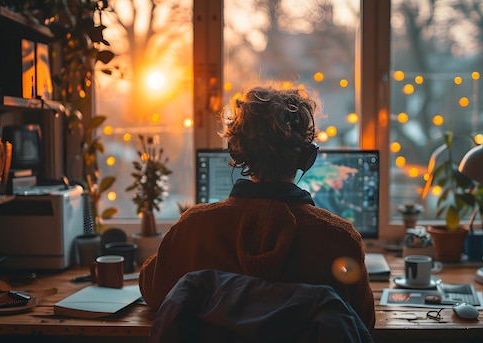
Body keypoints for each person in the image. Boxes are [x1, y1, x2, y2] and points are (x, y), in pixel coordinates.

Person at [139, 83, 375, 332]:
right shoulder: (339, 239)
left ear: (236, 151)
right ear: (307, 157)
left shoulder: (193, 229)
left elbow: (153, 293)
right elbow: (363, 325)